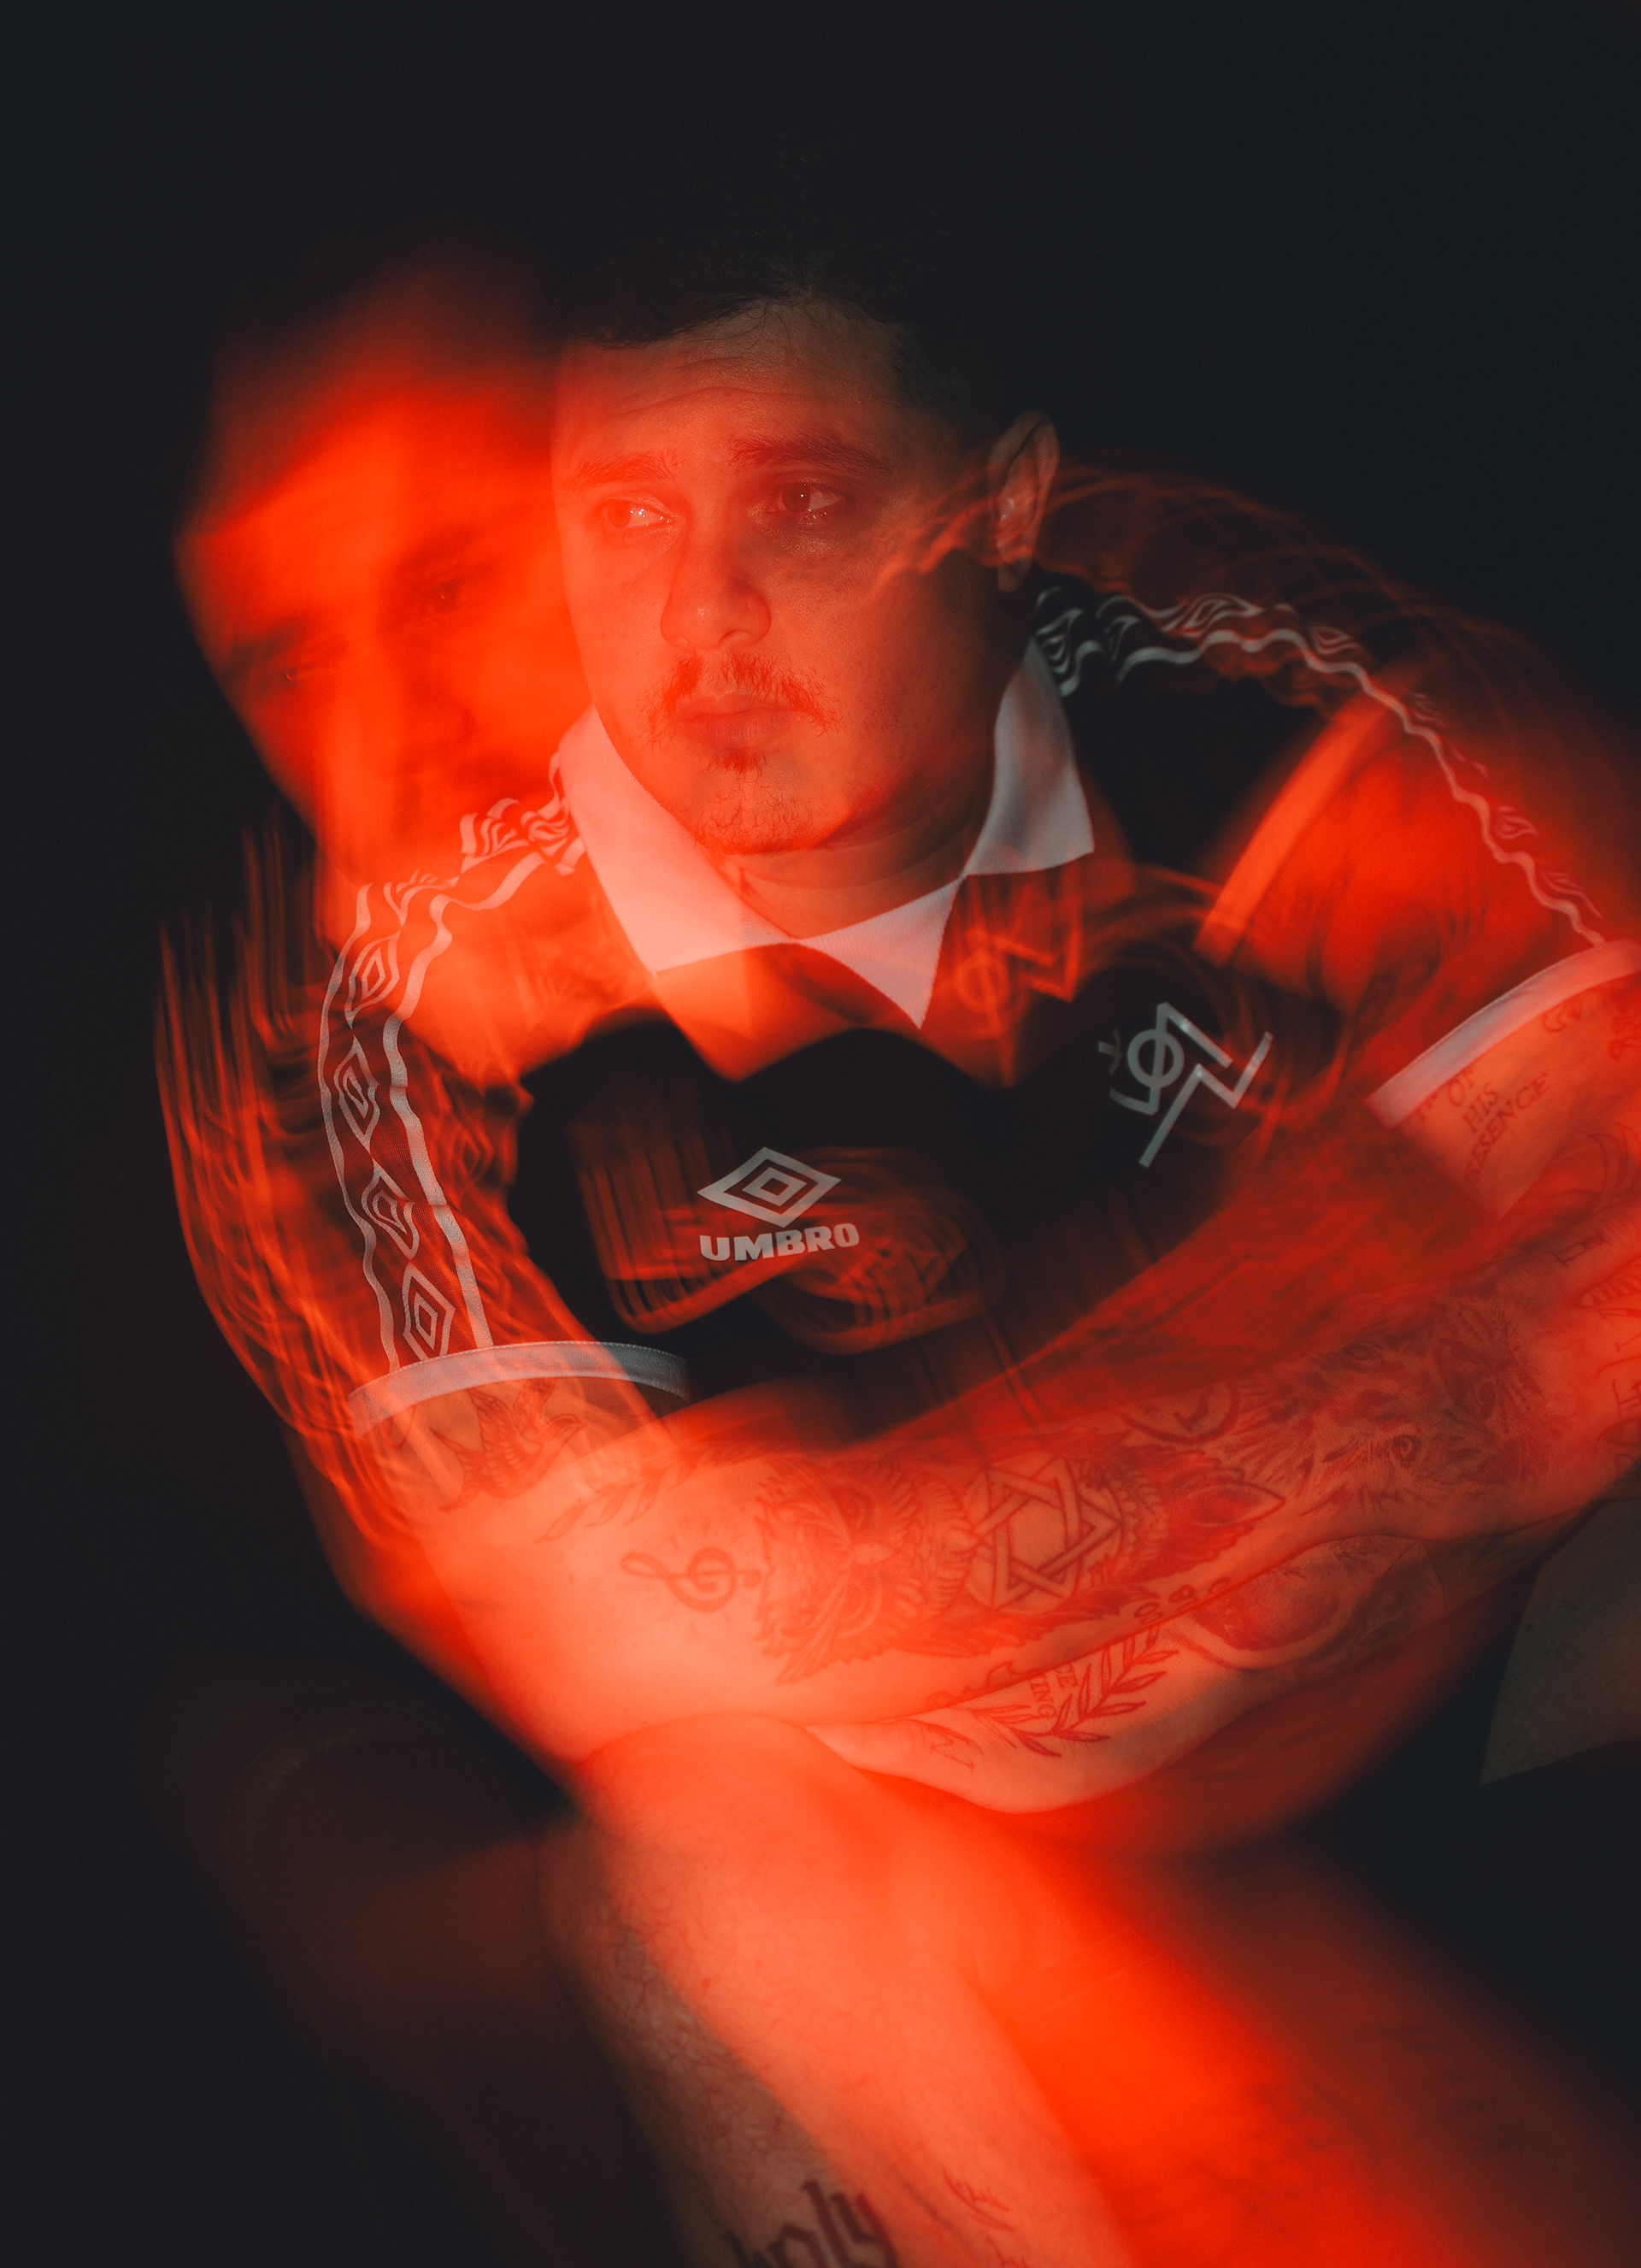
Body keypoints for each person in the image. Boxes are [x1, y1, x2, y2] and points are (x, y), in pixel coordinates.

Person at [159, 203, 1641, 2262]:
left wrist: (953, 1548)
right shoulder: (355, 1022)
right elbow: (670, 1641)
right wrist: (1385, 1331)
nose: (703, 620)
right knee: (712, 1899)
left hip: (1440, 1677)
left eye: (799, 507)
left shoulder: (1229, 665)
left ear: (993, 510)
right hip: (978, 1878)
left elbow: (1613, 1244)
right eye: (625, 523)